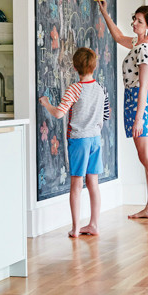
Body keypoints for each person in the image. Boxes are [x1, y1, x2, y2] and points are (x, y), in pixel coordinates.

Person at [96, 0, 148, 225]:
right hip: (138, 102)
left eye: (138, 21)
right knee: (146, 158)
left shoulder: (144, 50)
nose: (134, 23)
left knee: (146, 157)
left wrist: (139, 117)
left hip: (142, 103)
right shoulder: (138, 44)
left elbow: (144, 85)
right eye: (134, 19)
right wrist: (105, 13)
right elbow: (118, 37)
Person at [40, 47, 111, 237]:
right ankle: (94, 224)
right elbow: (106, 115)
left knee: (76, 184)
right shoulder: (101, 88)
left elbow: (59, 113)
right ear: (94, 66)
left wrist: (46, 103)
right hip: (96, 138)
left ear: (74, 67)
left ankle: (76, 228)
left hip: (79, 140)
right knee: (93, 183)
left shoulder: (75, 88)